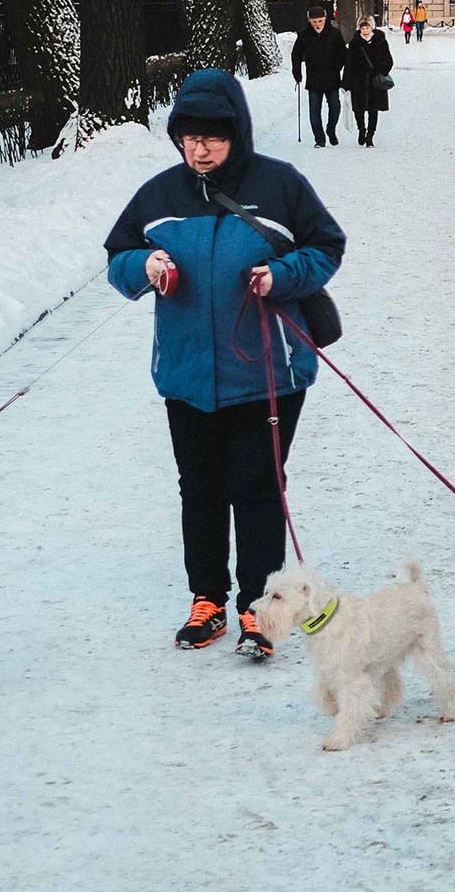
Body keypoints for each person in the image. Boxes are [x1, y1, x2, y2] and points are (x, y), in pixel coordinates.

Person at [106, 71, 344, 659]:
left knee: (258, 488)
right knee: (201, 490)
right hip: (186, 375)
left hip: (268, 374)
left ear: (236, 132)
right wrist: (145, 267)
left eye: (212, 137)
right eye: (188, 138)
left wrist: (282, 274)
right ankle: (207, 599)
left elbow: (327, 245)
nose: (200, 148)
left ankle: (257, 608)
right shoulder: (159, 195)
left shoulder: (280, 185)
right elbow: (117, 257)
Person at [290, 4, 347, 147]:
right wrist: (297, 72)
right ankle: (319, 139)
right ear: (309, 21)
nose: (317, 24)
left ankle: (331, 129)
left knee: (335, 106)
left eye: (320, 21)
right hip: (314, 77)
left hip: (332, 77)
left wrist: (337, 66)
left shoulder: (335, 33)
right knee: (314, 110)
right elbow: (296, 54)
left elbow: (343, 54)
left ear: (325, 19)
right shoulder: (304, 35)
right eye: (314, 21)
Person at [342, 14, 394, 146]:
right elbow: (349, 63)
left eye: (367, 27)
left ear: (372, 27)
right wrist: (346, 82)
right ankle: (361, 129)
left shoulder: (380, 42)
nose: (365, 30)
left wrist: (380, 70)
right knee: (358, 108)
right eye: (362, 27)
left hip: (374, 82)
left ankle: (370, 135)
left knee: (373, 109)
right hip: (358, 81)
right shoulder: (354, 43)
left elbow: (388, 60)